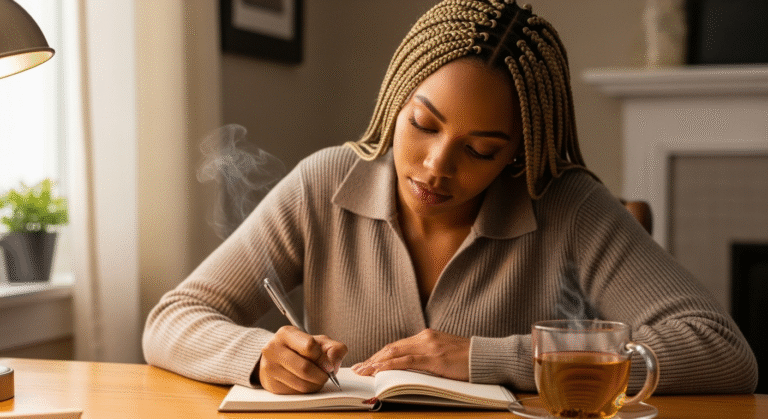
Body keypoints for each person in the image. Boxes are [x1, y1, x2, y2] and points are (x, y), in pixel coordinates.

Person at [143, 0, 758, 395]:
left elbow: (722, 352)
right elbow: (172, 321)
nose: (436, 168)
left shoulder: (567, 206)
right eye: (424, 124)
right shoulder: (324, 184)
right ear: (396, 101)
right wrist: (258, 356)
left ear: (519, 150)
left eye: (482, 150)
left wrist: (493, 359)